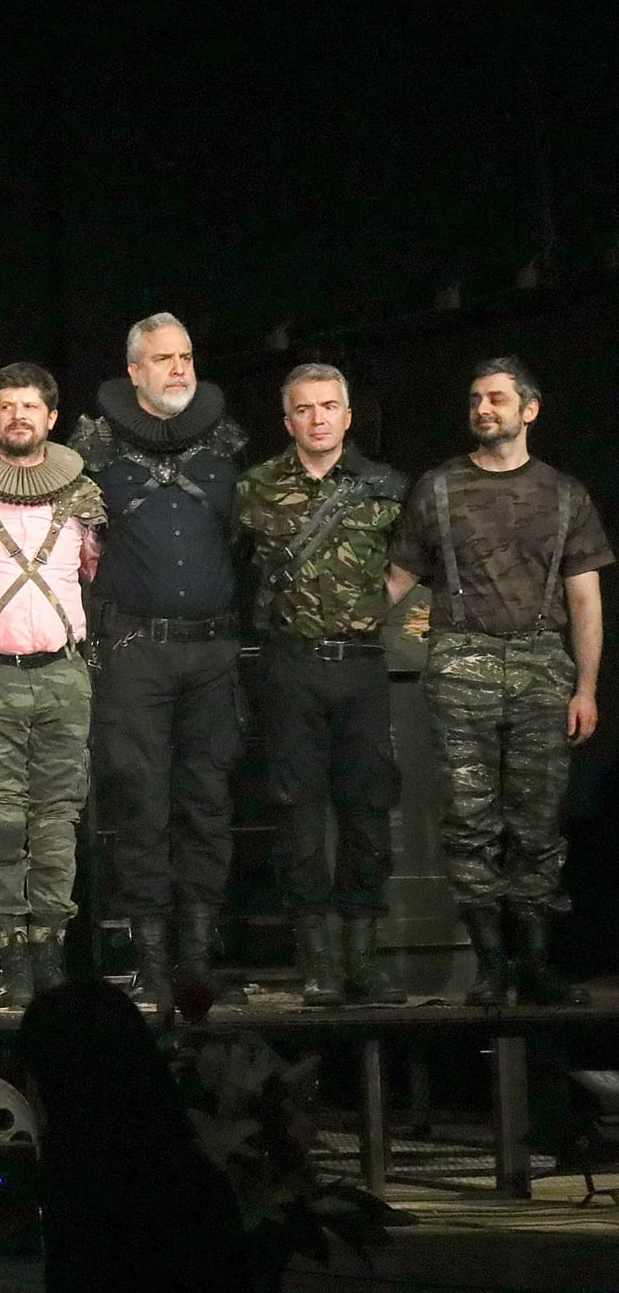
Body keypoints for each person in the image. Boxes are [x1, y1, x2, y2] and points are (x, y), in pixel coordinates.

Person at [388, 356, 611, 1006]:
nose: (483, 409)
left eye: (496, 398)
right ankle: (491, 967)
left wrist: (587, 688)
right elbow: (397, 579)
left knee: (537, 823)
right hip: (462, 665)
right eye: (475, 399)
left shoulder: (565, 495)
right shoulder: (438, 489)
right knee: (469, 822)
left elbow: (586, 599)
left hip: (542, 667)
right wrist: (332, 627)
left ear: (528, 410)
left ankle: (534, 962)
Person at [69, 313, 248, 1010]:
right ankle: (149, 962)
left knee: (207, 802)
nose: (179, 369)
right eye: (164, 358)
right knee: (140, 802)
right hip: (134, 651)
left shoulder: (228, 443)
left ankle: (198, 959)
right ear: (134, 370)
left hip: (212, 650)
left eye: (186, 356)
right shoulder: (92, 449)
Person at [235, 364, 407, 1008]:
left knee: (368, 808)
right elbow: (233, 568)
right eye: (304, 409)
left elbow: (413, 561)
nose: (318, 419)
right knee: (296, 810)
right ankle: (319, 962)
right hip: (291, 665)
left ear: (348, 415)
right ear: (288, 421)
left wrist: (369, 606)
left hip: (361, 664)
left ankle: (364, 958)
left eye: (329, 406)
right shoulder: (254, 488)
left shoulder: (385, 487)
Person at [0, 364, 102, 1008]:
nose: (19, 416)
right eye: (7, 406)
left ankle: (50, 949)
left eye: (30, 406)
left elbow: (96, 570)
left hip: (62, 674)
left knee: (57, 820)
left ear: (51, 418)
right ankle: (11, 953)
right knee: (0, 819)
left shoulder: (83, 499)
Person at [18, 980, 253, 1292]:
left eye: (34, 1074)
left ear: (59, 1081)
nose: (29, 1091)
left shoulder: (85, 1182)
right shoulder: (186, 1169)